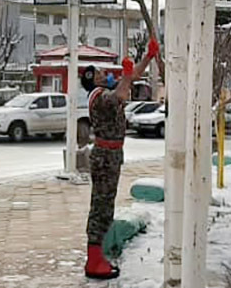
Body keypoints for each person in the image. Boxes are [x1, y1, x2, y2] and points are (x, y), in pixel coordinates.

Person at [84, 38, 158, 280]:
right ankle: (94, 260)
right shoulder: (99, 97)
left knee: (106, 204)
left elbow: (131, 79)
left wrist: (148, 57)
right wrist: (125, 76)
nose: (105, 74)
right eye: (100, 73)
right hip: (105, 157)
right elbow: (121, 93)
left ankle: (97, 257)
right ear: (92, 79)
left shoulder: (105, 91)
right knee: (101, 207)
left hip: (111, 155)